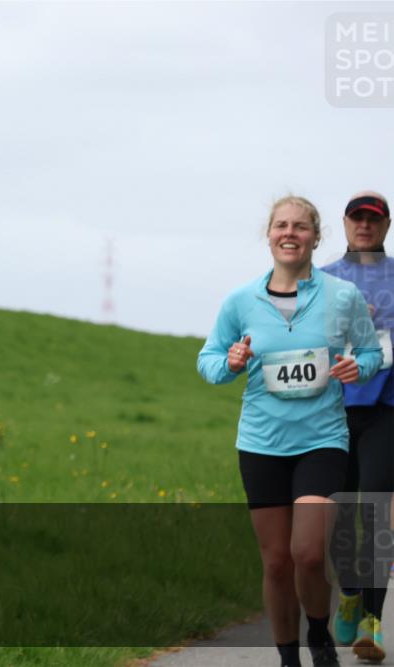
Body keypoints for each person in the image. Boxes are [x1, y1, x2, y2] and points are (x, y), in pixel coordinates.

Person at [197, 195, 382, 667]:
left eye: (301, 227)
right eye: (282, 225)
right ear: (269, 234)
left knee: (308, 553)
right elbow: (209, 360)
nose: (290, 233)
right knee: (277, 561)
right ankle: (287, 657)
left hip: (322, 439)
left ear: (316, 237)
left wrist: (354, 368)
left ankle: (318, 636)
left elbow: (369, 353)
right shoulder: (241, 300)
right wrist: (231, 362)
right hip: (261, 443)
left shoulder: (342, 295)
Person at [322, 192, 393, 662]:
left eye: (374, 219)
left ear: (386, 226)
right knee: (339, 513)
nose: (364, 226)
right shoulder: (323, 278)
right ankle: (348, 592)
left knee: (376, 508)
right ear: (345, 223)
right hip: (331, 410)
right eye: (357, 218)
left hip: (387, 408)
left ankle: (372, 623)